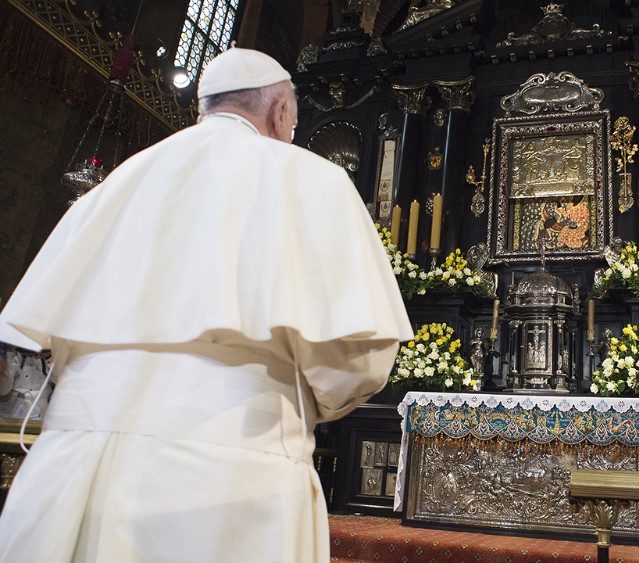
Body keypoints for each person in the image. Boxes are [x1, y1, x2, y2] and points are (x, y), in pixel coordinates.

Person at [0, 48, 412, 562]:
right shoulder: (312, 178)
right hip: (228, 479)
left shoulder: (120, 181)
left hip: (72, 464)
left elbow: (54, 332)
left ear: (204, 108)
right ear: (281, 113)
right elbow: (354, 359)